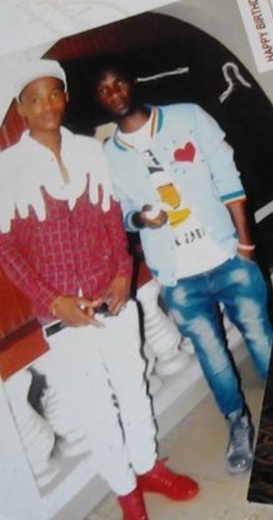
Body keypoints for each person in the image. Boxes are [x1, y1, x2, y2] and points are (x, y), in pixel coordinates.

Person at [0, 59, 198, 520]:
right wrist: (53, 301)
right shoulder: (7, 169)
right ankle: (127, 491)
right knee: (95, 407)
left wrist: (123, 275)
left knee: (133, 385)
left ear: (65, 98)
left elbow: (112, 220)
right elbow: (6, 250)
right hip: (64, 315)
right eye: (35, 99)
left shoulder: (91, 151)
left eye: (54, 94)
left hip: (113, 298)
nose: (47, 105)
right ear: (21, 109)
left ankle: (148, 466)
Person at [93, 63, 273, 475]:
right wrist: (140, 218)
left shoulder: (187, 116)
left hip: (227, 256)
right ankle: (237, 422)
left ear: (132, 82)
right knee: (211, 355)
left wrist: (246, 244)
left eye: (119, 82)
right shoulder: (108, 156)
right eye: (103, 90)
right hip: (178, 277)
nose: (114, 92)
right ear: (98, 100)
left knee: (262, 338)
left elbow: (228, 177)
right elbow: (121, 213)